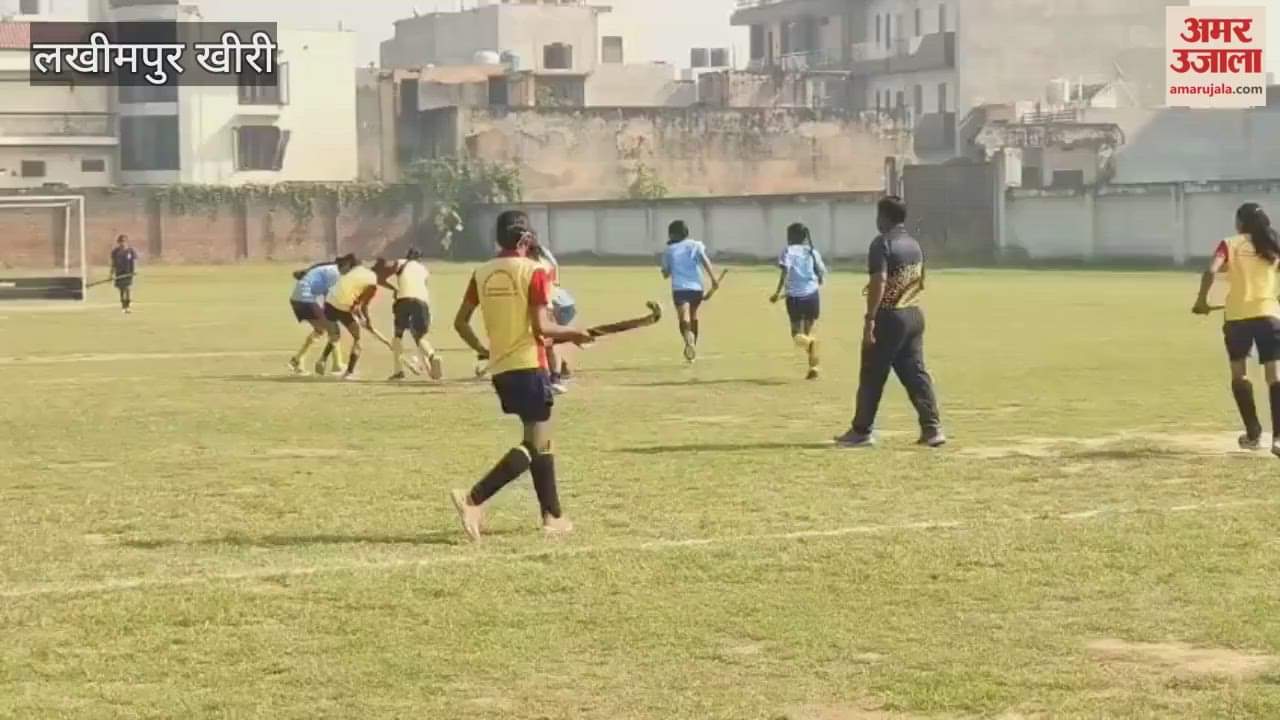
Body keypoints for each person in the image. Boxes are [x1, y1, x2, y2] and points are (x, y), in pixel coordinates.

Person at [449, 210, 594, 541]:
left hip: (502, 370)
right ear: (527, 239)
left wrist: (483, 350)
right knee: (535, 443)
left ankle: (552, 516)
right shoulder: (534, 271)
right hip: (530, 365)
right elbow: (542, 327)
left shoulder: (481, 272)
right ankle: (473, 498)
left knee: (542, 441)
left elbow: (460, 323)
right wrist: (574, 333)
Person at [836, 196, 945, 449]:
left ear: (883, 217)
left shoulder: (882, 243)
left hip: (889, 316)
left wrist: (870, 318)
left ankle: (861, 431)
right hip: (913, 313)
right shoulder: (913, 244)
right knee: (915, 374)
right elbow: (920, 279)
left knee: (872, 374)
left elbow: (880, 280)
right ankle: (932, 429)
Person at [1192, 202, 1280, 457]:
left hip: (1237, 318)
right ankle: (1278, 439)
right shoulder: (1272, 244)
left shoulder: (1229, 244)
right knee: (1275, 376)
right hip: (1269, 315)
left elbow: (1210, 271)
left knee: (1239, 375)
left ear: (1240, 222)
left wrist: (1201, 301)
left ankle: (1253, 434)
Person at [770, 222, 827, 380]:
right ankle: (813, 367)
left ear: (791, 236)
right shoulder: (812, 251)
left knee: (797, 335)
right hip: (812, 296)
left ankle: (811, 348)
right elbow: (821, 273)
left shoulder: (788, 251)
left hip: (795, 297)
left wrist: (777, 293)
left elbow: (785, 273)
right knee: (808, 333)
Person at [661, 220, 719, 363]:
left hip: (680, 288)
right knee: (693, 315)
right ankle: (692, 349)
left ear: (673, 234)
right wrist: (714, 280)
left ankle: (688, 339)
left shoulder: (669, 250)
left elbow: (665, 274)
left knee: (683, 317)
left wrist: (668, 267)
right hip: (697, 288)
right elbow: (705, 261)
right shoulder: (696, 245)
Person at [382, 248, 443, 382]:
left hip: (403, 300)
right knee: (420, 337)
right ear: (419, 258)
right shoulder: (424, 269)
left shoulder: (401, 262)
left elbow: (384, 275)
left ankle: (398, 371)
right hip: (422, 302)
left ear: (407, 255)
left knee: (398, 335)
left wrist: (394, 289)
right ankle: (432, 355)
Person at [319, 255, 383, 381]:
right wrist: (367, 320)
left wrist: (359, 314)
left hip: (329, 302)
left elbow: (353, 300)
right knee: (358, 338)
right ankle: (349, 372)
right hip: (344, 306)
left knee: (335, 335)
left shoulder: (354, 270)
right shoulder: (373, 281)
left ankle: (322, 359)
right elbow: (362, 305)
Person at [529, 239, 577, 393]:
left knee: (548, 343)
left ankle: (554, 377)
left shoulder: (534, 267)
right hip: (564, 303)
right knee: (550, 343)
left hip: (552, 306)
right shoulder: (546, 261)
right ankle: (559, 372)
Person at [288, 257, 347, 376]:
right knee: (334, 330)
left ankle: (297, 360)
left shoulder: (328, 269)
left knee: (320, 330)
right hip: (305, 300)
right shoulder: (335, 273)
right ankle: (337, 365)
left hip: (297, 299)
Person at [109, 234, 138, 314]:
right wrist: (111, 274)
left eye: (124, 241)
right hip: (119, 273)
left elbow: (133, 262)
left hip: (128, 273)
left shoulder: (130, 251)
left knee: (127, 289)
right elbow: (113, 264)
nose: (123, 243)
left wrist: (133, 271)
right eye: (121, 242)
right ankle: (123, 306)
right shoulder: (115, 252)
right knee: (122, 290)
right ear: (118, 242)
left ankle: (127, 306)